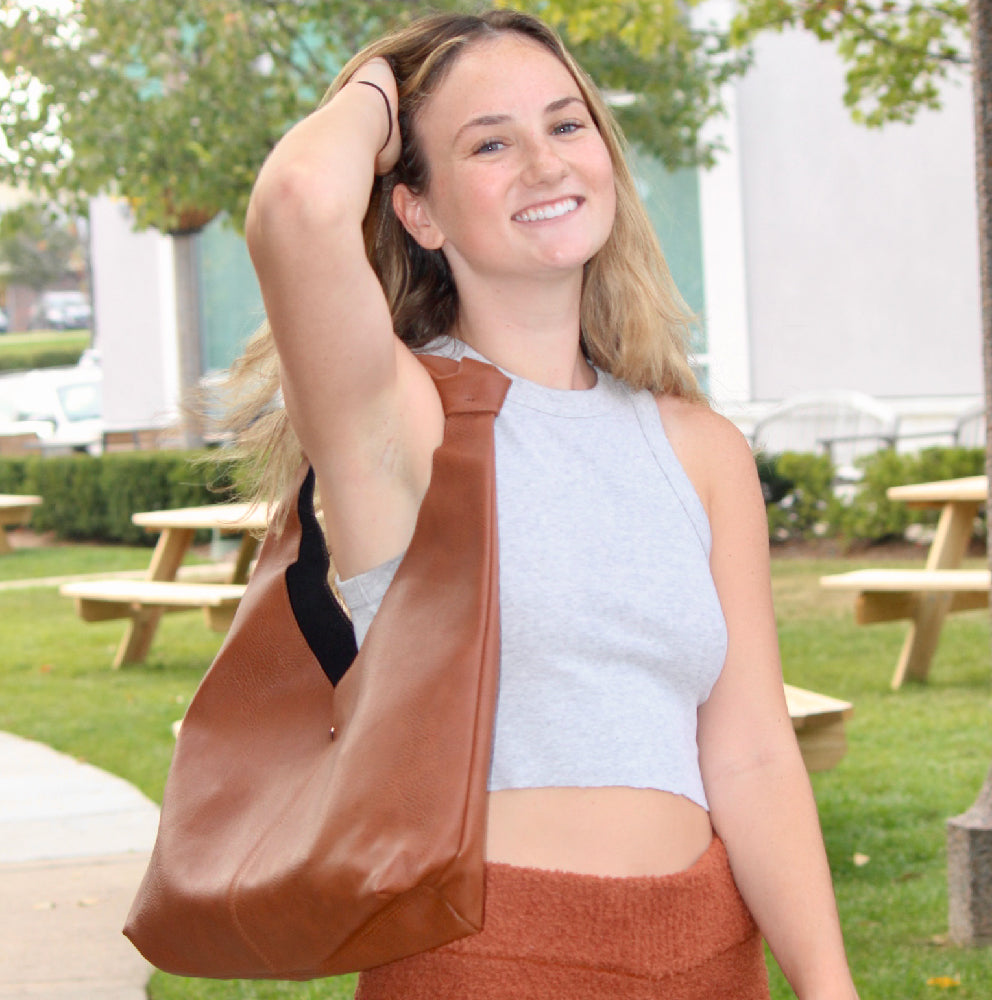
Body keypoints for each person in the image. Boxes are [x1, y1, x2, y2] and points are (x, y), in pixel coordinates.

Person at [236, 8, 858, 998]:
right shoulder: (398, 420)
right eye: (489, 143)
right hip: (486, 956)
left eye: (567, 125)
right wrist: (383, 86)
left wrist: (828, 986)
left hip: (708, 952)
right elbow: (298, 203)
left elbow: (749, 754)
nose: (544, 162)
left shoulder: (700, 448)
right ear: (418, 212)